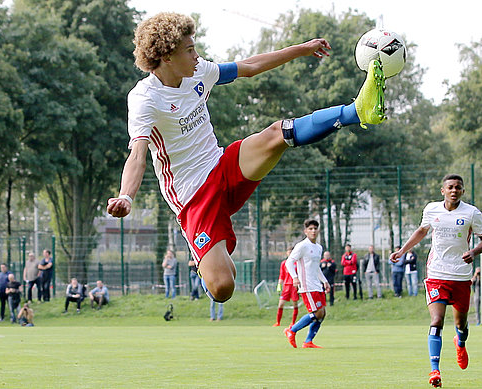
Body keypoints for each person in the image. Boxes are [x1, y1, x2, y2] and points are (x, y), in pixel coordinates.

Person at [105, 11, 388, 304]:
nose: (196, 55)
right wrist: (126, 196)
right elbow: (137, 155)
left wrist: (302, 49)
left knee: (277, 134)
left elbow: (250, 66)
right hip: (194, 199)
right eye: (189, 50)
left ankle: (356, 110)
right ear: (166, 57)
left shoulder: (198, 70)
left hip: (222, 165)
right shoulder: (145, 99)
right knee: (223, 288)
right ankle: (204, 261)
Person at [389, 174, 482, 388]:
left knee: (460, 325)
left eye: (458, 188)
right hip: (437, 274)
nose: (454, 190)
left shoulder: (472, 213)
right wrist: (402, 250)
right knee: (437, 321)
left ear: (463, 191)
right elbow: (421, 231)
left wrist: (473, 252)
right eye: (450, 187)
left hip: (461, 275)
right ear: (443, 190)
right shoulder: (431, 209)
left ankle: (460, 343)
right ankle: (435, 370)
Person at [283, 220, 330, 349]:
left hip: (317, 284)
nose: (313, 231)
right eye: (310, 229)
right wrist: (295, 278)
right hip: (306, 285)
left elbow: (316, 267)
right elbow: (289, 262)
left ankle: (308, 341)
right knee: (318, 313)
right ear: (305, 231)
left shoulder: (318, 247)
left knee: (322, 313)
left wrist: (324, 281)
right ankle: (292, 330)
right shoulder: (302, 246)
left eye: (315, 228)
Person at [273, 247, 300, 327]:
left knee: (295, 304)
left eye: (291, 252)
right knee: (280, 304)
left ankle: (293, 322)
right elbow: (282, 275)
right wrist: (279, 285)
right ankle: (278, 322)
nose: (290, 253)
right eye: (289, 252)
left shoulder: (297, 263)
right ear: (287, 253)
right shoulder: (284, 263)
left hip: (294, 286)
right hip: (286, 286)